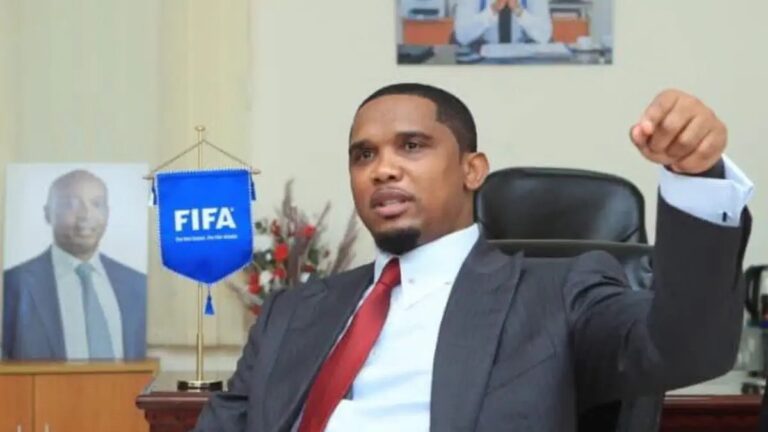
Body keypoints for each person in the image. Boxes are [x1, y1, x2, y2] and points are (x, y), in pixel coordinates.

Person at [193, 83, 753, 431]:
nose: (382, 169)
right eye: (363, 155)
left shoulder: (555, 294)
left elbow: (686, 349)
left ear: (472, 170)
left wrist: (696, 179)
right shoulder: (293, 313)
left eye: (412, 146)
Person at [2, 169, 146, 360]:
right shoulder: (12, 285)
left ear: (108, 213)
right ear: (48, 213)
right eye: (70, 204)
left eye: (96, 204)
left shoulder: (138, 285)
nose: (85, 215)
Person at [454, 0, 552, 46]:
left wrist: (519, 12)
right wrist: (492, 10)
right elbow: (462, 36)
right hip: (482, 63)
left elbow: (544, 35)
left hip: (523, 61)